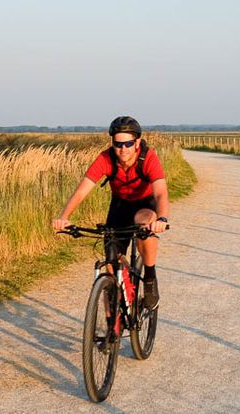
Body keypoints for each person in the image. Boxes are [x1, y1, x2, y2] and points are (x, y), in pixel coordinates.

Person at [52, 116, 169, 309]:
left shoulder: (148, 157)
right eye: (118, 144)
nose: (123, 149)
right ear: (112, 143)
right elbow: (81, 191)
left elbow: (161, 193)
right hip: (120, 206)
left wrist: (162, 218)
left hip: (144, 204)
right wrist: (64, 217)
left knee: (145, 223)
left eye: (128, 143)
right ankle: (110, 331)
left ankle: (149, 277)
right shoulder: (106, 158)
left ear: (137, 142)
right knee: (111, 265)